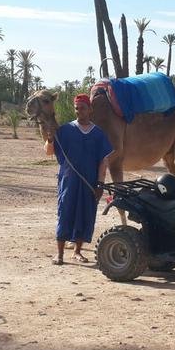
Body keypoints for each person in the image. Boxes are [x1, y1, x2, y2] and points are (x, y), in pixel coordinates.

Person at [45, 93, 113, 265]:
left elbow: (103, 161)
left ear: (90, 110)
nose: (79, 111)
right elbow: (49, 151)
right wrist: (50, 138)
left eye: (82, 108)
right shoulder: (65, 130)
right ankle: (59, 254)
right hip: (68, 181)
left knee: (85, 214)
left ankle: (77, 251)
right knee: (65, 212)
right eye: (77, 108)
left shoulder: (98, 133)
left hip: (89, 182)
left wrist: (100, 183)